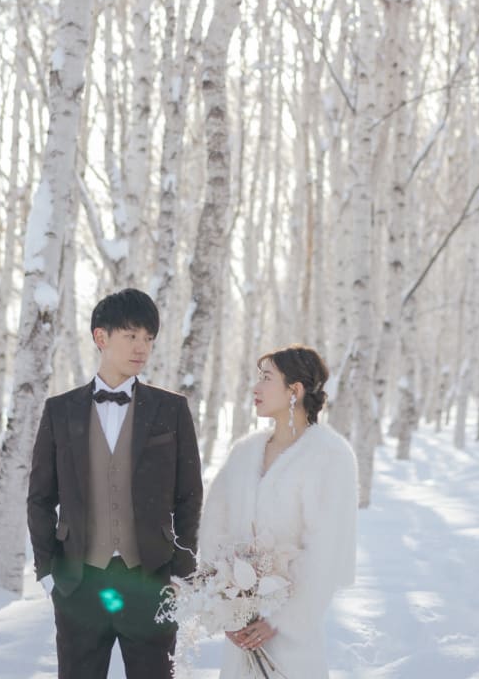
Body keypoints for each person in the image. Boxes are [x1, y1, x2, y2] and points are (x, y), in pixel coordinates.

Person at [27, 288, 203, 679]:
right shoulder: (60, 410)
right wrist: (47, 572)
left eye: (149, 339)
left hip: (151, 582)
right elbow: (40, 498)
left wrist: (181, 571)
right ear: (101, 337)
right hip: (78, 585)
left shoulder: (171, 409)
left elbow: (190, 496)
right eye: (131, 335)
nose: (142, 347)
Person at [198, 345, 358, 679]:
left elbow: (327, 550)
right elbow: (215, 527)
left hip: (291, 635)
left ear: (294, 391)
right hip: (241, 630)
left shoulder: (330, 456)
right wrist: (227, 604)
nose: (255, 388)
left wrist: (280, 619)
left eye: (267, 379)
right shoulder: (244, 453)